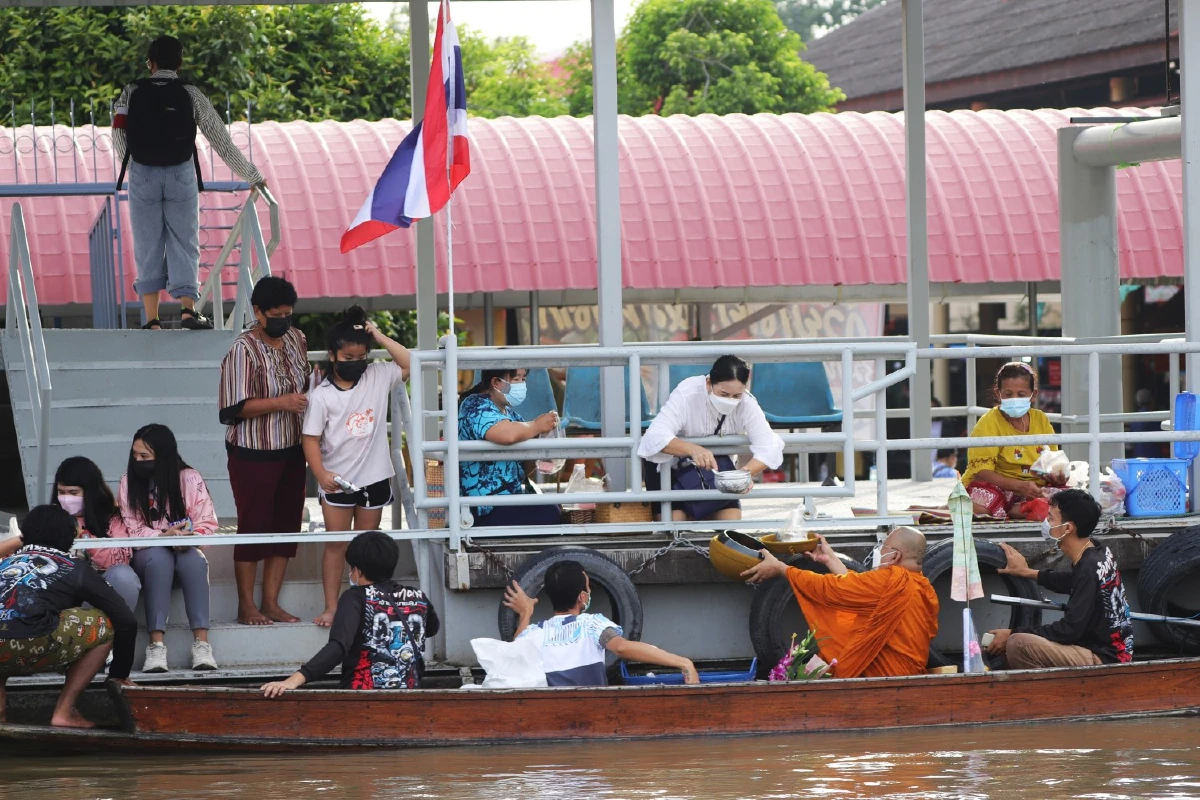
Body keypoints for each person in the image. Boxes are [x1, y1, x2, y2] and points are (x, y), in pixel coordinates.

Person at [113, 35, 266, 331]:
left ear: (150, 64)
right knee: (185, 240)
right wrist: (252, 175)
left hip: (142, 174)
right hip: (181, 174)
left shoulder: (131, 92)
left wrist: (136, 167)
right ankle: (187, 311)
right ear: (180, 63)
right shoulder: (191, 93)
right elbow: (220, 139)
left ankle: (152, 320)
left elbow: (119, 134)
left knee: (147, 243)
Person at [303, 306, 411, 627]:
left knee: (368, 546)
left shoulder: (377, 374)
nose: (355, 363)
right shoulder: (322, 396)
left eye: (361, 356)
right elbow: (309, 440)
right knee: (336, 544)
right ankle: (333, 607)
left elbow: (409, 362)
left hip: (375, 479)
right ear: (333, 356)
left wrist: (377, 335)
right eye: (348, 358)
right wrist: (321, 475)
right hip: (336, 482)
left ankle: (369, 603)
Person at [218, 276, 311, 626]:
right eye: (276, 314)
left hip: (292, 448)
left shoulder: (296, 339)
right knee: (254, 526)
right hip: (252, 452)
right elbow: (231, 409)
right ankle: (247, 606)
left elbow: (304, 383)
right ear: (257, 311)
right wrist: (280, 403)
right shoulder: (242, 350)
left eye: (288, 313)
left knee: (287, 526)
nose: (283, 320)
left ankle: (270, 602)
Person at [0, 505, 137, 728]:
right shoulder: (74, 567)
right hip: (31, 643)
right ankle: (65, 711)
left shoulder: (5, 563)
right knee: (102, 623)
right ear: (68, 537)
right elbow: (126, 619)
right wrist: (118, 675)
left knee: (5, 622)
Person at [741, 527, 939, 678]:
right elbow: (855, 587)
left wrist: (782, 569)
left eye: (883, 547)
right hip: (910, 675)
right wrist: (830, 559)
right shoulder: (924, 588)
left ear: (895, 555)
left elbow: (832, 588)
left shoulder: (891, 580)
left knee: (818, 666)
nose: (880, 551)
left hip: (884, 676)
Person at [261, 532, 439, 696]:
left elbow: (338, 647)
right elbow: (431, 629)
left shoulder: (355, 597)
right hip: (410, 696)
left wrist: (293, 680)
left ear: (358, 570)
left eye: (351, 568)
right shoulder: (417, 597)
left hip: (361, 698)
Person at [986, 489, 1134, 669]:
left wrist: (1011, 633)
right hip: (1104, 648)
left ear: (1068, 528)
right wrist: (1026, 572)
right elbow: (1072, 581)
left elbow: (1069, 630)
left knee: (1018, 644)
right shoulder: (1095, 550)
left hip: (1104, 657)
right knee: (1008, 652)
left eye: (1050, 518)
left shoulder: (1089, 566)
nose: (1045, 523)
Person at [118, 424, 218, 672]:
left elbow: (208, 522)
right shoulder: (128, 482)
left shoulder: (189, 478)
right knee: (159, 558)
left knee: (194, 560)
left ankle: (202, 645)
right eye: (135, 455)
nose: (138, 461)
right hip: (149, 557)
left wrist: (186, 537)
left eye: (145, 456)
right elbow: (132, 528)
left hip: (184, 551)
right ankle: (156, 646)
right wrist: (164, 537)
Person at [503, 560, 699, 686]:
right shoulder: (592, 624)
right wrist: (684, 663)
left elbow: (518, 647)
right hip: (592, 710)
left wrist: (526, 612)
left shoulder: (536, 633)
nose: (590, 591)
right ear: (582, 597)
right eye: (588, 587)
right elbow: (621, 647)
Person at [638, 355, 783, 521]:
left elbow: (769, 445)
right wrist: (693, 450)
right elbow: (655, 436)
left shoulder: (747, 402)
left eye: (736, 396)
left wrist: (742, 476)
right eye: (723, 393)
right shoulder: (687, 393)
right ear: (709, 383)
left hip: (714, 472)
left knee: (730, 520)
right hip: (671, 469)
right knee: (675, 522)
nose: (730, 400)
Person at [458, 369, 561, 527]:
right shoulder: (475, 405)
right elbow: (506, 434)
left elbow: (521, 465)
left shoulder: (511, 416)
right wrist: (536, 426)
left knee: (554, 508)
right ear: (496, 382)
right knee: (549, 513)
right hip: (483, 508)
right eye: (516, 379)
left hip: (506, 502)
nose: (521, 385)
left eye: (523, 379)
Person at [961, 362, 1063, 520]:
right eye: (1008, 394)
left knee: (1071, 501)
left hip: (1033, 488)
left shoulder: (1040, 419)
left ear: (1033, 395)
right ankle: (1018, 509)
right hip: (996, 487)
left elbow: (1052, 461)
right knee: (984, 506)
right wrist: (1020, 486)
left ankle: (1022, 508)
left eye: (1021, 394)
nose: (1014, 399)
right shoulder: (988, 422)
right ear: (998, 393)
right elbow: (981, 471)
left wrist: (1057, 475)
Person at [52, 456, 141, 614]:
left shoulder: (112, 517)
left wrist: (85, 538)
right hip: (62, 592)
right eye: (61, 492)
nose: (66, 499)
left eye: (73, 493)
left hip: (99, 590)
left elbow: (120, 558)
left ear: (90, 492)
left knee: (124, 576)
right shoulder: (49, 517)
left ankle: (115, 635)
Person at [1130, 388, 1166, 459]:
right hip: (1153, 458)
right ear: (1151, 401)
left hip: (1137, 458)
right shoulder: (1153, 418)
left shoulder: (1133, 419)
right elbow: (1162, 438)